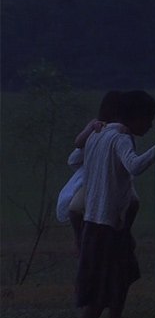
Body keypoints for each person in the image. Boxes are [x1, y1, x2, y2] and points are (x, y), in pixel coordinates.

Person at [65, 90, 155, 318]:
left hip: (98, 222)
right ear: (135, 118)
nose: (149, 126)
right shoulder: (119, 138)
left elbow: (75, 158)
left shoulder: (97, 135)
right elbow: (134, 166)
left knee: (118, 283)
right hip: (109, 226)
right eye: (148, 120)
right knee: (106, 290)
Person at [56, 91, 123, 254]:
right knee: (74, 209)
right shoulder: (97, 124)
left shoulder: (121, 129)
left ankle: (121, 237)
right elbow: (78, 143)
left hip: (111, 174)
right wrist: (91, 129)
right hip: (91, 174)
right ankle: (79, 240)